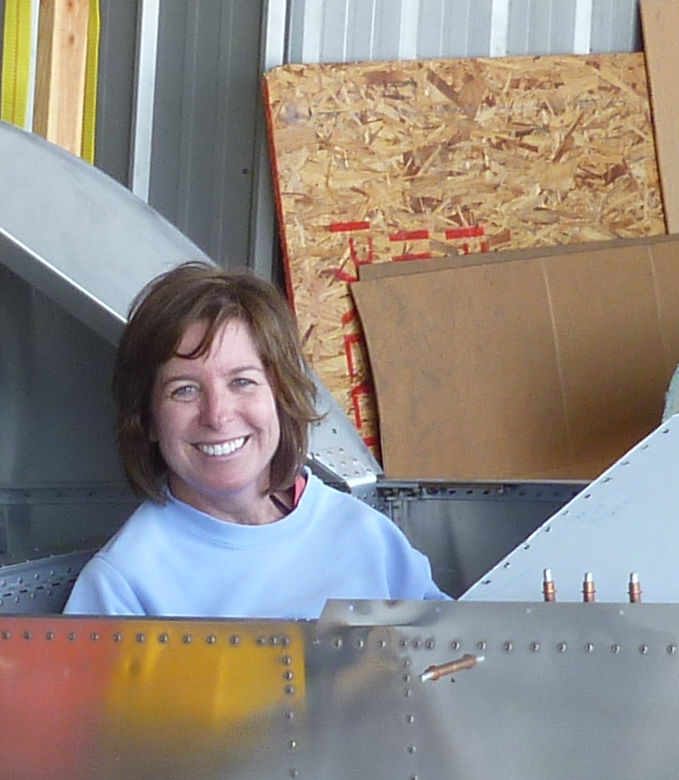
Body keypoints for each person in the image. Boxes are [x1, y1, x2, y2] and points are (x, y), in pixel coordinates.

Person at [66, 263, 446, 620]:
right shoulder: (122, 585)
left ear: (281, 396)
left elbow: (451, 655)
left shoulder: (367, 536)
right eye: (184, 390)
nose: (217, 415)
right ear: (148, 418)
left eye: (242, 382)